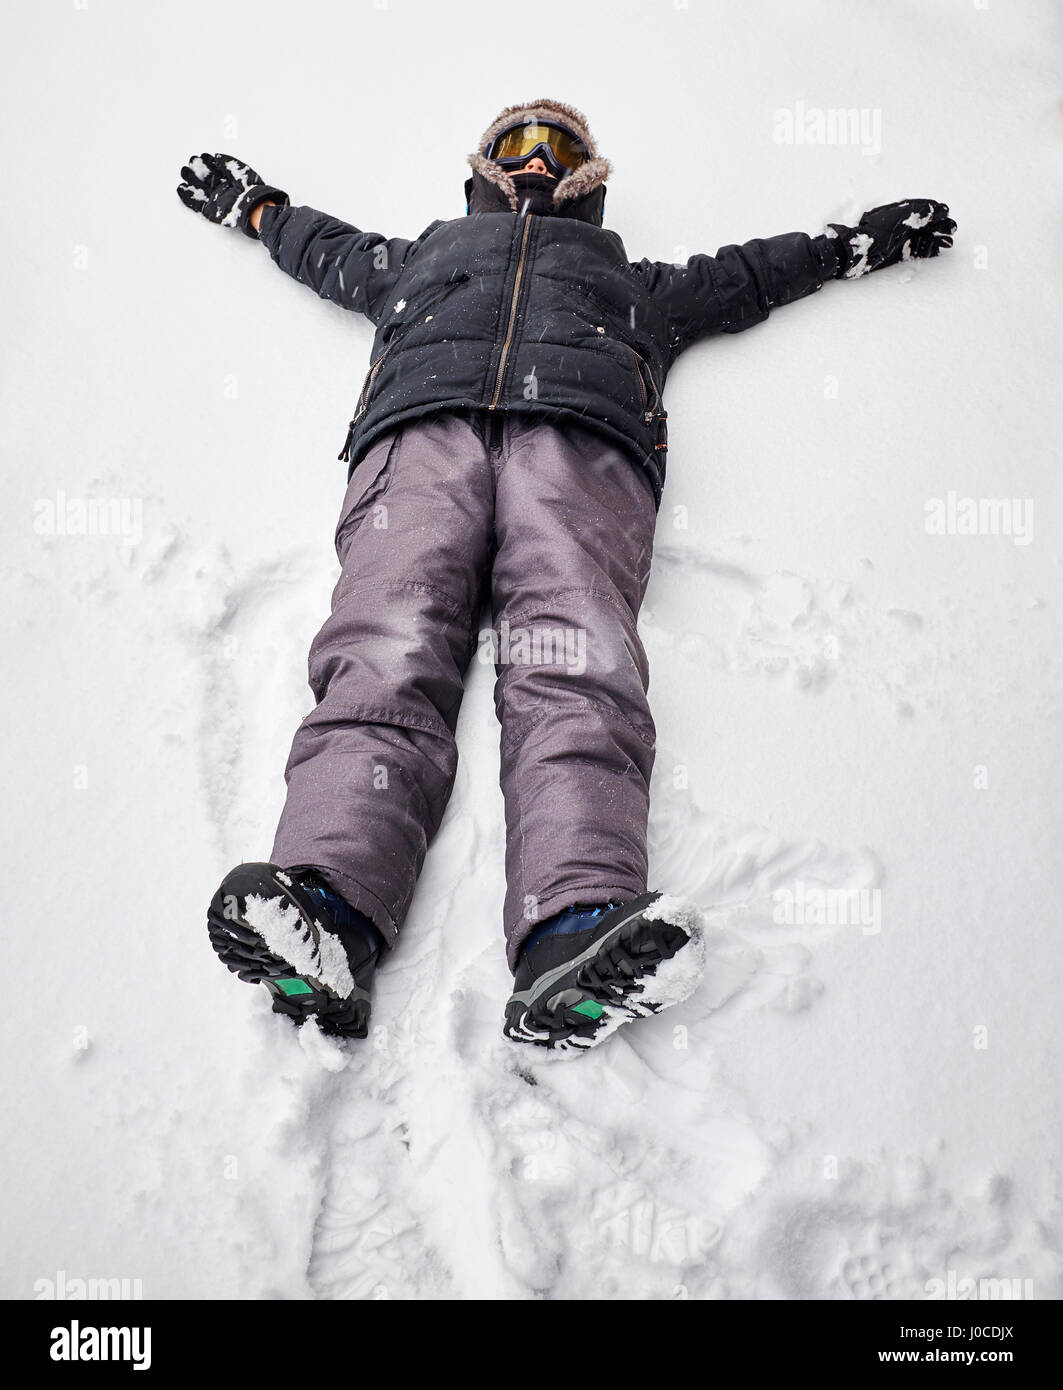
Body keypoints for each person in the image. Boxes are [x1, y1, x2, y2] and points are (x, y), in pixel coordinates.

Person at [178, 100, 955, 1053]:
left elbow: (750, 276)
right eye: (518, 143)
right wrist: (255, 207)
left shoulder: (629, 277)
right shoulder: (425, 254)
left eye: (560, 146)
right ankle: (326, 911)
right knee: (384, 646)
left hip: (581, 446)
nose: (538, 157)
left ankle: (574, 928)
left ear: (589, 178)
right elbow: (324, 249)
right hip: (422, 437)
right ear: (483, 165)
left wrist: (855, 244)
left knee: (574, 662)